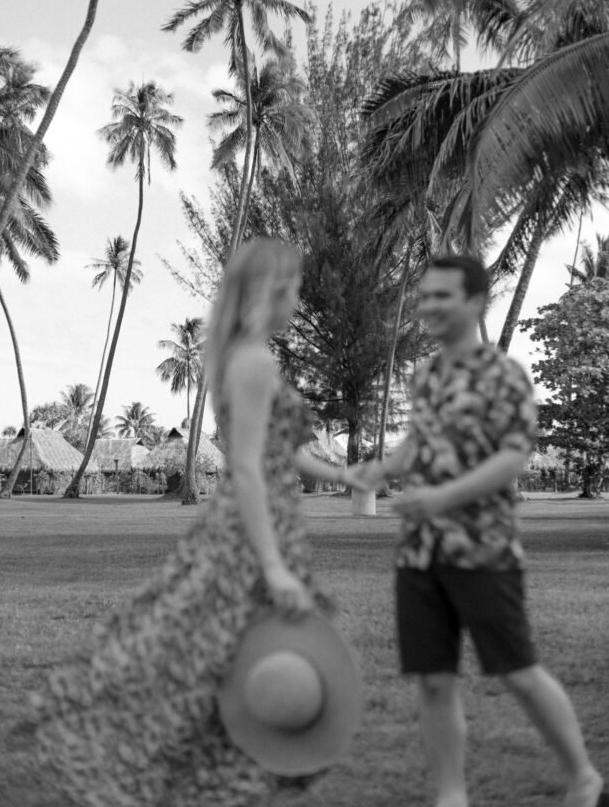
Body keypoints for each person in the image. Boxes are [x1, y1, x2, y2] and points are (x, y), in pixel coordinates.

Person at [31, 238, 369, 807]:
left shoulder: (241, 355)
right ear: (270, 291)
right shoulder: (255, 361)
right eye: (291, 288)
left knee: (231, 667)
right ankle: (198, 780)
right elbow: (245, 467)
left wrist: (346, 475)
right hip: (252, 534)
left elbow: (273, 448)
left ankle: (213, 780)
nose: (297, 299)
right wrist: (273, 567)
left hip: (249, 529)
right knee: (243, 670)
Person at [354, 255, 605, 807]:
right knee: (435, 679)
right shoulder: (426, 375)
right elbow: (418, 441)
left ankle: (583, 775)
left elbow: (515, 455)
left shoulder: (504, 374)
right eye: (424, 297)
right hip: (420, 554)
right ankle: (451, 796)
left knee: (517, 670)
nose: (429, 307)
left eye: (442, 296)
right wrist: (385, 468)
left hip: (484, 549)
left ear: (474, 301)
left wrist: (443, 497)